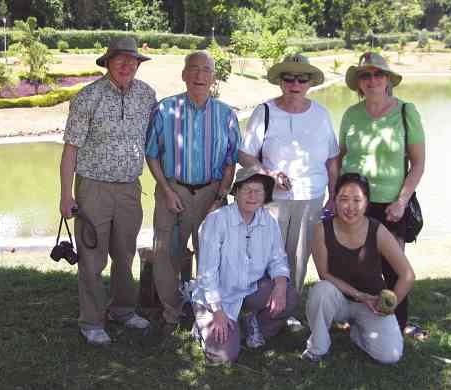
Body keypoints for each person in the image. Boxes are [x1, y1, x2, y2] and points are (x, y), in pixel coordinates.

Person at [59, 36, 156, 345]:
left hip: (130, 188)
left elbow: (158, 141)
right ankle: (91, 321)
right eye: (120, 59)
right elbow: (70, 150)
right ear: (108, 62)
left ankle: (123, 310)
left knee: (125, 255)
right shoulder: (87, 97)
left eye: (133, 60)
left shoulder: (147, 95)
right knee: (91, 258)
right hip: (93, 189)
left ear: (139, 64)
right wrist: (65, 195)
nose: (127, 65)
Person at [145, 51, 241, 332]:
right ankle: (172, 312)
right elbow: (151, 154)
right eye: (194, 69)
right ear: (184, 74)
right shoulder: (165, 109)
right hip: (172, 191)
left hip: (211, 195)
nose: (200, 76)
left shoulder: (226, 115)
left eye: (206, 70)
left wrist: (220, 198)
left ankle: (206, 310)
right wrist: (165, 190)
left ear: (214, 77)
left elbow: (230, 161)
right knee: (165, 253)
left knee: (211, 255)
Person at [338, 52, 425, 336]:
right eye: (366, 75)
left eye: (378, 74)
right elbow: (341, 157)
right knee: (356, 264)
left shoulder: (405, 111)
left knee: (393, 267)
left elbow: (418, 163)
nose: (372, 80)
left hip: (391, 204)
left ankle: (397, 324)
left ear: (388, 80)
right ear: (359, 83)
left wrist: (401, 201)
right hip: (354, 204)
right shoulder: (351, 114)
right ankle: (358, 319)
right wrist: (335, 197)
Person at [239, 54, 340, 297]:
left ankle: (288, 309)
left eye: (302, 79)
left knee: (298, 258)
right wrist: (268, 173)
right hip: (273, 200)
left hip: (311, 199)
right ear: (281, 82)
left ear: (310, 83)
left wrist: (334, 195)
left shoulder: (322, 115)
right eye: (289, 78)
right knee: (264, 256)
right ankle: (258, 309)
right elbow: (244, 155)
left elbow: (332, 159)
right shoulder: (264, 112)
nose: (295, 84)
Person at [191, 166, 300, 364]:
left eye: (259, 190)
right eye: (247, 189)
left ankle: (251, 324)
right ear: (236, 192)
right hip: (217, 296)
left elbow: (278, 259)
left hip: (250, 290)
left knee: (290, 295)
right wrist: (217, 311)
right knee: (222, 355)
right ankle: (204, 323)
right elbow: (207, 273)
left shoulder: (269, 222)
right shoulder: (216, 221)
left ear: (265, 195)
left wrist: (281, 286)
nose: (253, 195)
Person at [302, 173, 415, 363]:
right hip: (338, 299)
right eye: (343, 199)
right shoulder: (321, 229)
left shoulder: (377, 230)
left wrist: (390, 303)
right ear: (335, 200)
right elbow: (324, 274)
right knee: (321, 291)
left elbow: (407, 275)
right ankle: (317, 347)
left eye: (357, 200)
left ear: (367, 203)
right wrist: (359, 295)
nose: (350, 207)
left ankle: (358, 333)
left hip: (372, 303)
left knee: (391, 356)